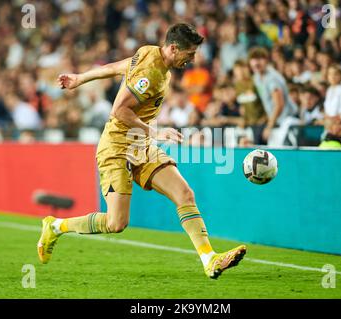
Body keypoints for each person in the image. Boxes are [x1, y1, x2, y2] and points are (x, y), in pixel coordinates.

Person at [37, 23, 246, 279]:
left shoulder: (149, 52)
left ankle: (209, 259)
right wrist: (156, 132)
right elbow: (119, 111)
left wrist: (81, 78)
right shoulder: (152, 72)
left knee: (184, 193)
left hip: (141, 144)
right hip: (117, 145)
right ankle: (56, 226)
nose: (191, 60)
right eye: (189, 54)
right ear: (173, 48)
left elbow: (116, 67)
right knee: (116, 223)